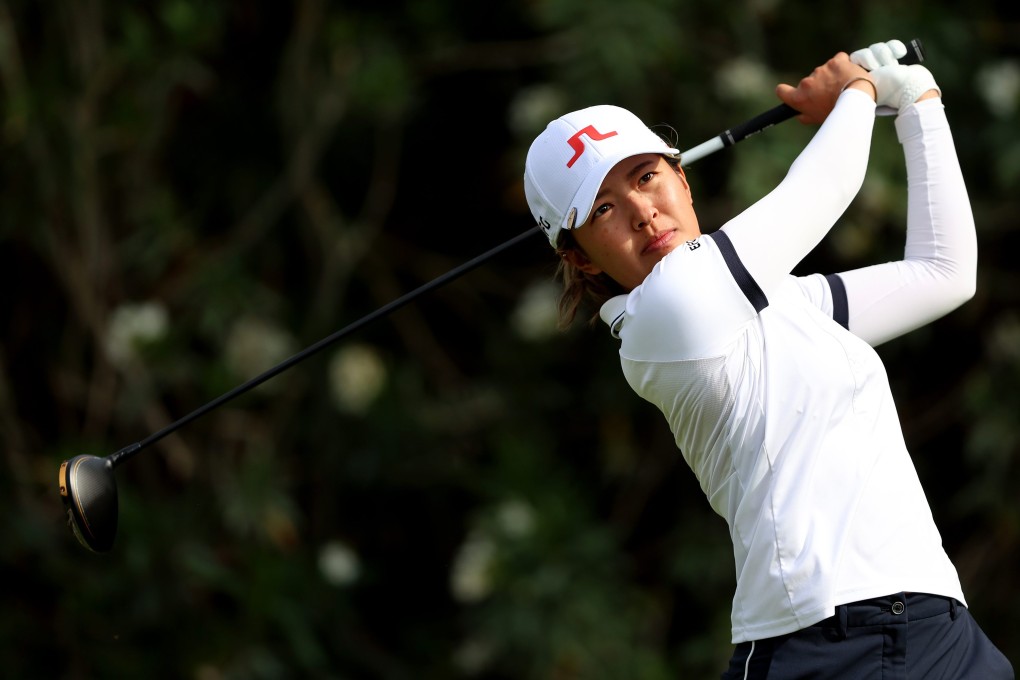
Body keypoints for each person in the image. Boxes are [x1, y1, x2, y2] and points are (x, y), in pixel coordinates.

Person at [523, 40, 1015, 678]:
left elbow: (944, 273)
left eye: (646, 176)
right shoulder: (667, 316)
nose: (643, 213)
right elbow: (827, 186)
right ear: (583, 257)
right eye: (605, 209)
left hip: (935, 625)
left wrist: (917, 100)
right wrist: (858, 89)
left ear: (682, 177)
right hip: (835, 641)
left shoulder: (783, 305)